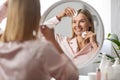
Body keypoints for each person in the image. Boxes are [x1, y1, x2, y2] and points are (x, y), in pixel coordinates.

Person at [0, 0, 79, 80]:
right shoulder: (42, 50)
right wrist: (53, 42)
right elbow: (72, 77)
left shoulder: (2, 45)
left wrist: (5, 5)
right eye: (74, 22)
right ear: (37, 15)